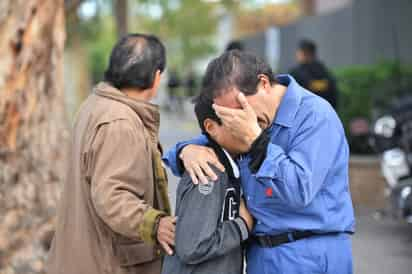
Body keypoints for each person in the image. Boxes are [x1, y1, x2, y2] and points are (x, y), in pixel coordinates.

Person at [163, 50, 355, 274]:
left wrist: (256, 140)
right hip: (260, 256)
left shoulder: (315, 117)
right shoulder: (243, 122)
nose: (239, 122)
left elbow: (299, 190)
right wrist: (185, 151)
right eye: (230, 118)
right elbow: (206, 144)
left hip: (309, 253)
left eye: (242, 111)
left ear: (263, 83)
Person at [47, 34, 175, 274]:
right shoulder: (120, 123)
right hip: (105, 264)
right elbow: (111, 196)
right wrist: (155, 224)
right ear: (157, 78)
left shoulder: (94, 105)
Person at [161, 93, 254, 274]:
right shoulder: (207, 170)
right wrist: (242, 225)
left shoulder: (232, 165)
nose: (248, 126)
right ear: (211, 127)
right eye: (236, 120)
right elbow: (192, 245)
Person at [290, 39, 339, 109]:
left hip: (305, 114)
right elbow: (334, 97)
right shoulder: (325, 72)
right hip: (325, 113)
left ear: (302, 53)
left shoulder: (296, 73)